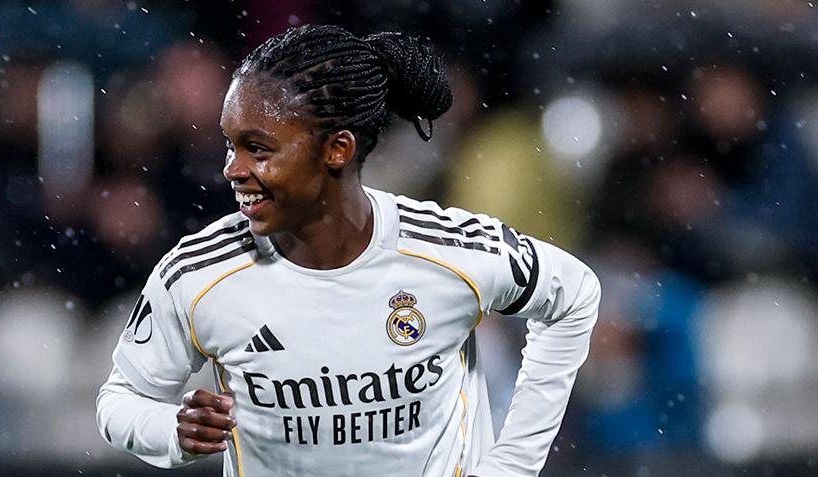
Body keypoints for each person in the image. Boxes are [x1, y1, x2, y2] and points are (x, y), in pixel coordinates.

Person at [96, 25, 600, 477]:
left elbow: (574, 294)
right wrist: (171, 430)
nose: (233, 168)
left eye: (259, 149)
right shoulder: (198, 273)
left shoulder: (445, 251)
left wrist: (513, 463)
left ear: (337, 150)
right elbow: (119, 400)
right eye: (231, 146)